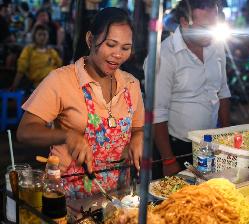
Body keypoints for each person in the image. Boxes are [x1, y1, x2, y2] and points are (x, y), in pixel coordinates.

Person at [16, 8, 145, 200]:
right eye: (111, 45)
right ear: (90, 40)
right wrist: (67, 136)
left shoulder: (131, 85)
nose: (118, 55)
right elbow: (25, 131)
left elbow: (138, 128)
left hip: (118, 197)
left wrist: (138, 137)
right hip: (67, 197)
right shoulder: (61, 80)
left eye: (125, 48)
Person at [144, 0, 231, 178]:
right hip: (177, 148)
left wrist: (227, 138)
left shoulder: (217, 46)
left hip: (212, 144)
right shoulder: (164, 56)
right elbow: (156, 112)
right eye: (204, 27)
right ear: (184, 22)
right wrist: (168, 160)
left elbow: (223, 92)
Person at [10, 24, 62, 91]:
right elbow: (21, 69)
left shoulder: (52, 52)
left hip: (55, 83)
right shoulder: (29, 50)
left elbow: (60, 67)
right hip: (38, 86)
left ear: (48, 36)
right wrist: (14, 85)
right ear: (34, 36)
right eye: (40, 35)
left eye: (45, 35)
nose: (42, 37)